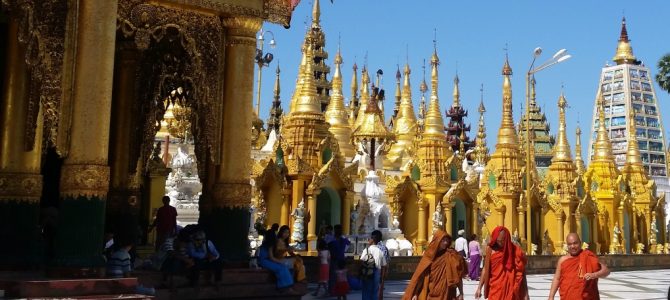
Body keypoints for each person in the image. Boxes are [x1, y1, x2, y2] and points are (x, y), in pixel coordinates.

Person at [402, 230, 466, 300]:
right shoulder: (429, 255)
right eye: (443, 240)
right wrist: (416, 293)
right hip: (431, 293)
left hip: (447, 294)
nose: (445, 243)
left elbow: (458, 276)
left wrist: (461, 293)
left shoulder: (451, 255)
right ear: (437, 240)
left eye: (447, 240)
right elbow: (422, 276)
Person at [548, 233, 610, 300]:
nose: (572, 246)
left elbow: (606, 271)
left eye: (575, 243)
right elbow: (557, 278)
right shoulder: (563, 260)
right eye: (570, 244)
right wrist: (551, 297)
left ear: (580, 243)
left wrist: (594, 275)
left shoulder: (588, 256)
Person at [475, 226, 527, 300]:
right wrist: (479, 288)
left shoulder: (514, 250)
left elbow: (521, 271)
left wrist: (525, 293)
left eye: (503, 240)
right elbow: (485, 269)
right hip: (495, 288)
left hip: (509, 289)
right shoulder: (490, 249)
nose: (501, 243)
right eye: (498, 241)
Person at [257, 227, 294, 293]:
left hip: (267, 261)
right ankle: (282, 286)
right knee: (280, 268)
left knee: (284, 268)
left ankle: (288, 286)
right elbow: (271, 258)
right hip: (264, 261)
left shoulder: (270, 245)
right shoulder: (269, 245)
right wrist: (280, 262)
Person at [360, 233, 387, 300]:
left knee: (366, 291)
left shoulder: (366, 250)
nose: (368, 240)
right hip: (377, 272)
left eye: (370, 239)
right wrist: (382, 277)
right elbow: (384, 266)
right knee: (375, 292)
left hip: (367, 272)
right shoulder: (380, 251)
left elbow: (362, 261)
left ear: (372, 240)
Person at [328, 224, 351, 294]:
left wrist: (344, 251)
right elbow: (328, 247)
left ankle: (342, 290)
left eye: (339, 229)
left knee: (342, 277)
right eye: (337, 229)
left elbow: (348, 244)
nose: (338, 231)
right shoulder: (332, 239)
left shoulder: (342, 239)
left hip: (341, 259)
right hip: (334, 259)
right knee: (333, 276)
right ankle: (333, 290)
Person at [371, 230, 390, 300]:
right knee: (378, 288)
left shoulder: (381, 248)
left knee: (378, 289)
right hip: (376, 270)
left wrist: (385, 271)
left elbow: (386, 261)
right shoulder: (374, 247)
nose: (372, 239)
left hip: (379, 270)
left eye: (373, 238)